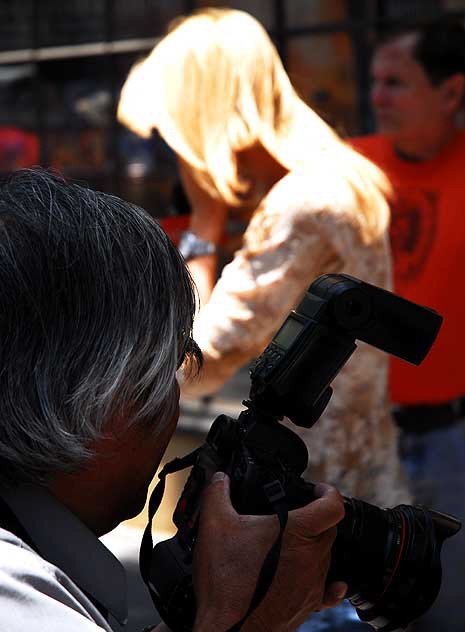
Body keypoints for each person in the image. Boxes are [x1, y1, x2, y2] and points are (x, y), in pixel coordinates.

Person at [118, 8, 411, 631]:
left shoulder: (302, 204)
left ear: (203, 117)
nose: (171, 153)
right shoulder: (348, 177)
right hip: (356, 508)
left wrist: (201, 227)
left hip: (304, 543)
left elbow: (189, 363)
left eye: (173, 133)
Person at [0, 167, 346, 632]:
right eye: (168, 370)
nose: (173, 404)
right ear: (104, 393)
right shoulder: (21, 602)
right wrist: (245, 620)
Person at [351, 19, 465, 632]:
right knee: (368, 615)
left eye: (396, 83)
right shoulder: (349, 168)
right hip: (365, 437)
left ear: (451, 93)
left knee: (449, 611)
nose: (378, 97)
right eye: (374, 81)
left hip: (453, 436)